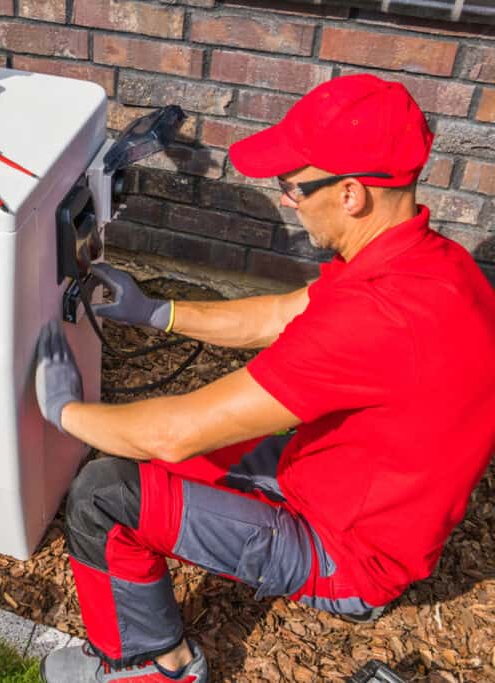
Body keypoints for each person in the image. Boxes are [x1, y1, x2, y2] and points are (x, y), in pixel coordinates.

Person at [33, 74, 495, 683]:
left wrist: (63, 411)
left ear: (352, 193)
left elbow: (176, 434)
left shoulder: (378, 319)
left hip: (347, 554)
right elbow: (282, 313)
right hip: (345, 484)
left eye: (293, 186)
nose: (286, 199)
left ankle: (152, 665)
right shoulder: (430, 264)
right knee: (148, 456)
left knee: (102, 494)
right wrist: (159, 313)